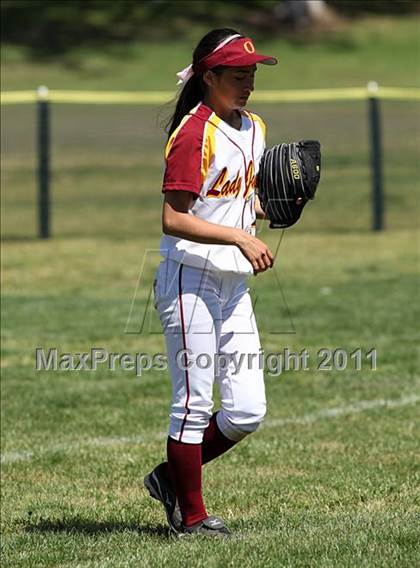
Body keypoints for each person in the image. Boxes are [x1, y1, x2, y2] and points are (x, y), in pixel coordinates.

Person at [144, 28, 278, 538]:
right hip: (189, 279)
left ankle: (169, 477)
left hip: (232, 285)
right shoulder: (193, 132)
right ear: (209, 76)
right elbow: (173, 218)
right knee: (194, 403)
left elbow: (239, 200)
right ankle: (192, 519)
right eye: (238, 75)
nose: (247, 84)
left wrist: (271, 208)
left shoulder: (254, 126)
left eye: (252, 75)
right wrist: (238, 238)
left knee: (246, 410)